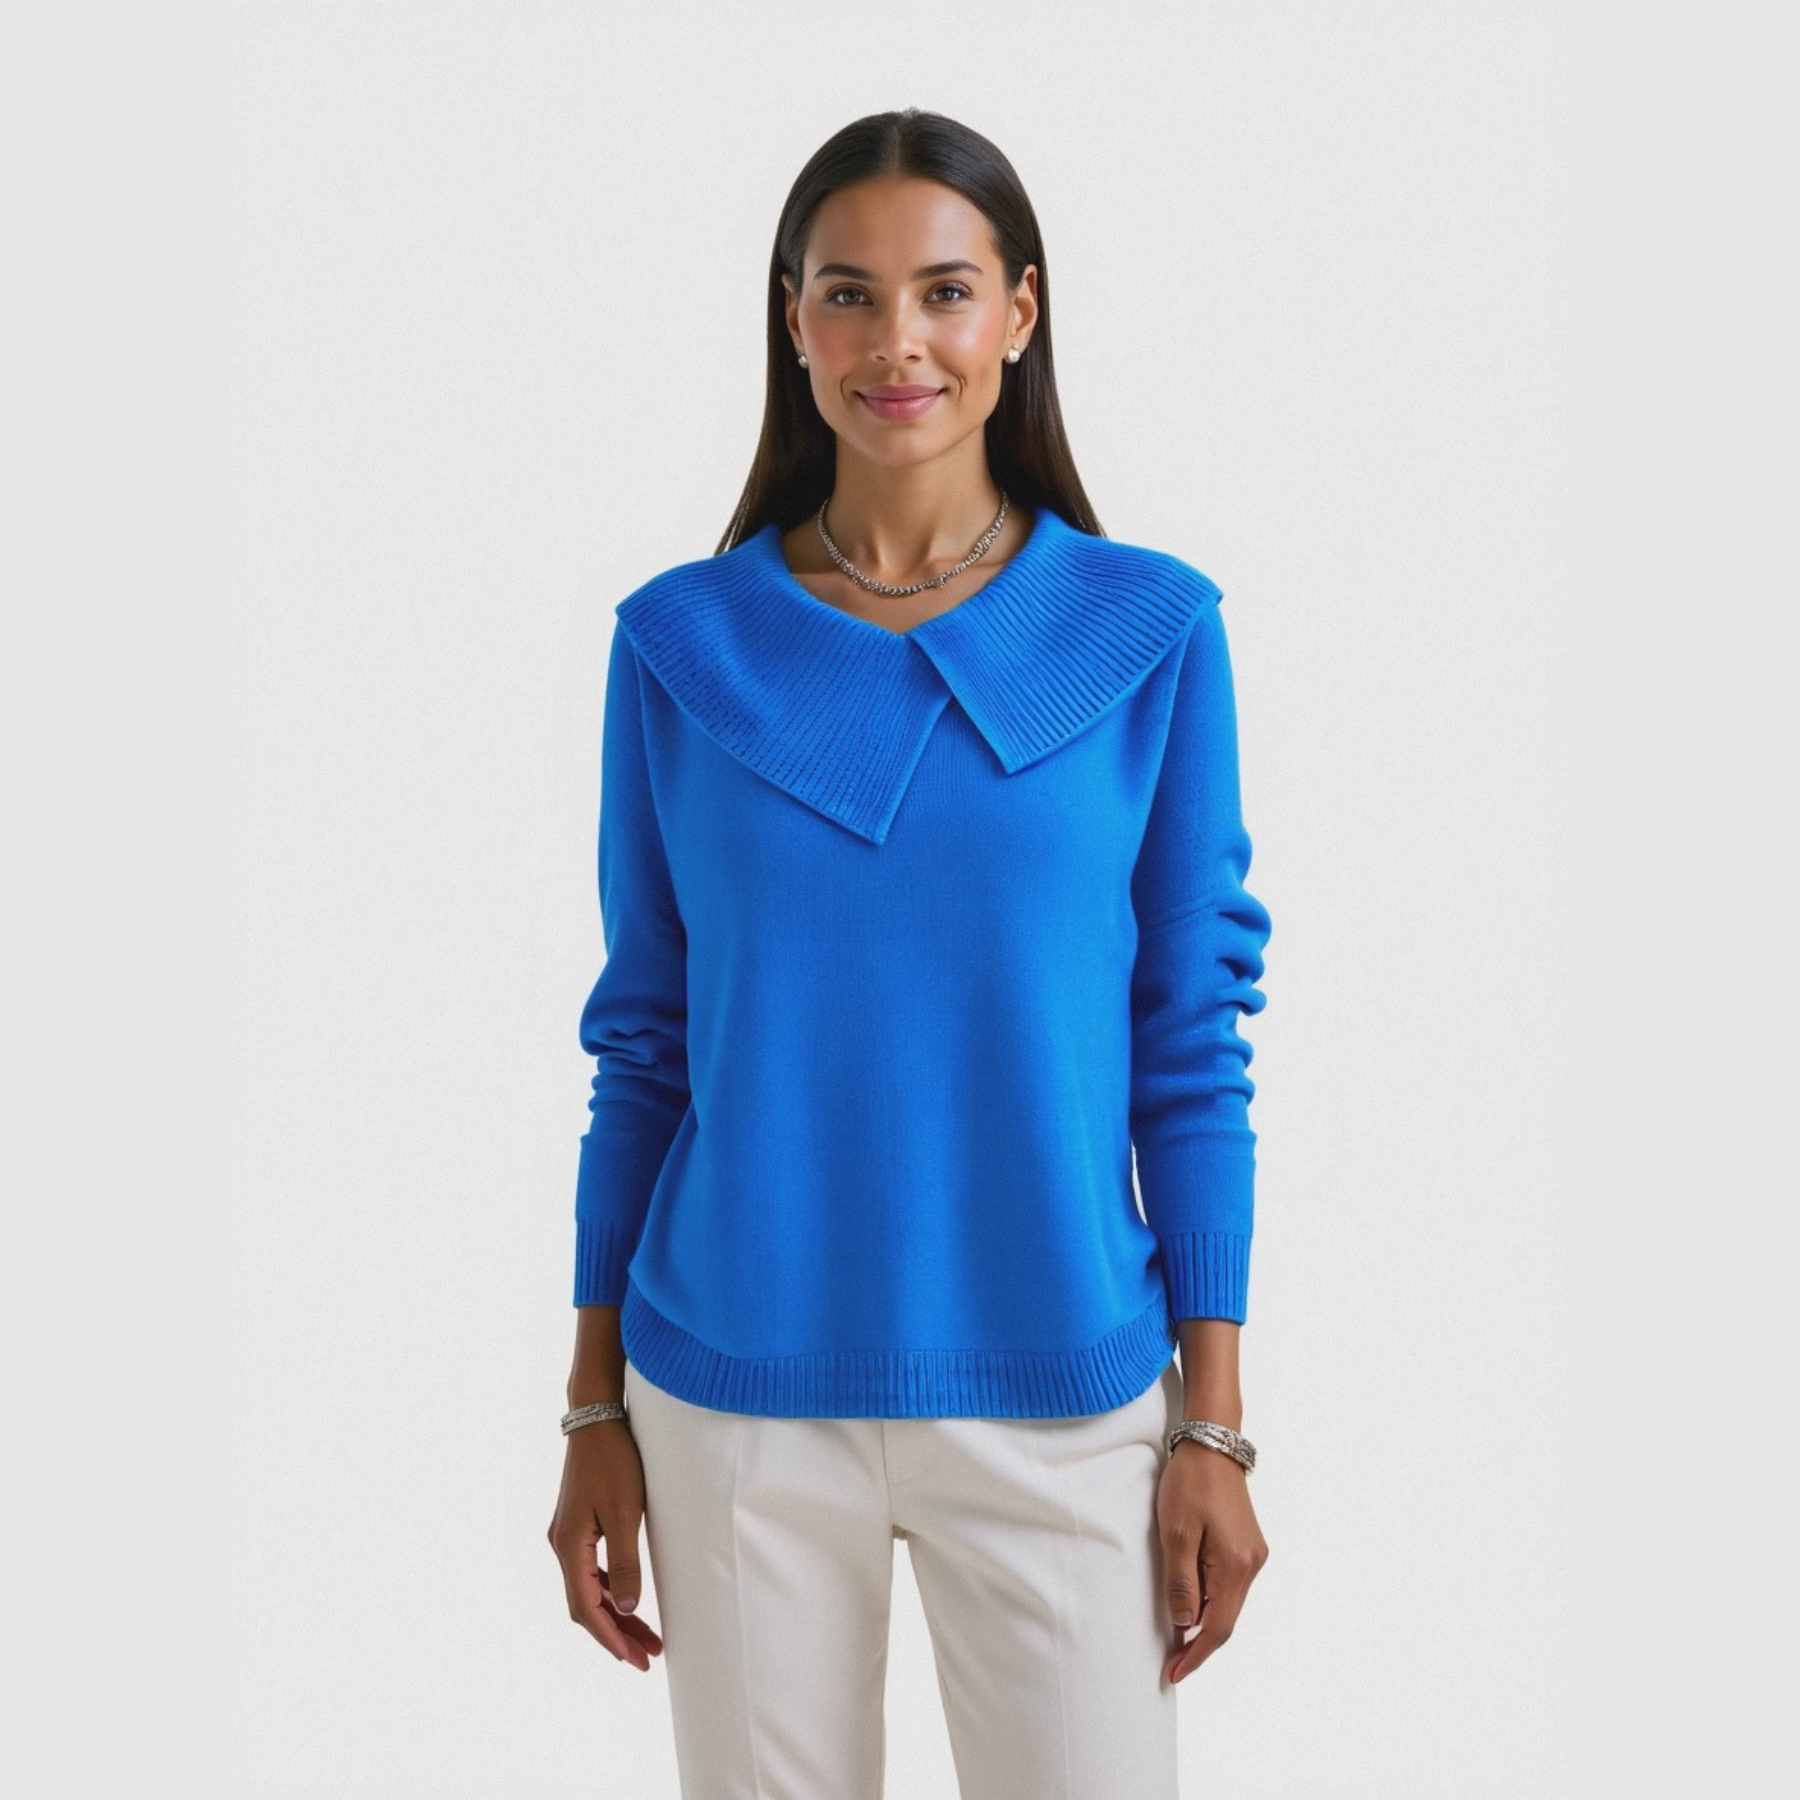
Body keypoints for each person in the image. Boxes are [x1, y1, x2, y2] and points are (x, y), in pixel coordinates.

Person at [547, 107, 1273, 1800]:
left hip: (1066, 1393)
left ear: (1020, 312)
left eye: (945, 292)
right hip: (730, 1398)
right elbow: (643, 1045)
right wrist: (590, 1410)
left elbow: (1191, 1044)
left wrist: (1214, 1422)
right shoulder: (679, 648)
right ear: (792, 321)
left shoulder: (1150, 636)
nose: (898, 344)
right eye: (849, 295)